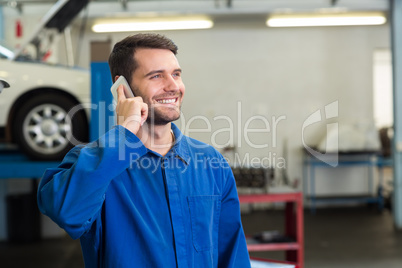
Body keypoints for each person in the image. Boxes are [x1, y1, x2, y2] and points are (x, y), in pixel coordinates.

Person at [37, 33, 251, 268]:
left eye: (176, 74)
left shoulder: (211, 163)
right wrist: (124, 134)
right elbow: (66, 212)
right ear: (123, 88)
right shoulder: (95, 164)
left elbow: (233, 255)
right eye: (157, 76)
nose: (173, 86)